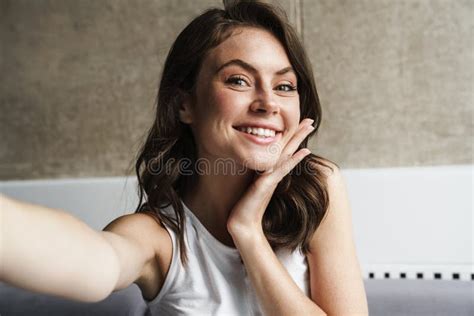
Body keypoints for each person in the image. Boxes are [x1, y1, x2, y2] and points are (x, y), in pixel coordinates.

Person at [0, 1, 368, 315]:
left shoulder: (318, 187)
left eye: (284, 86)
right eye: (239, 80)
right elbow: (95, 262)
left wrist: (249, 233)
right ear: (184, 104)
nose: (268, 103)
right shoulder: (159, 236)